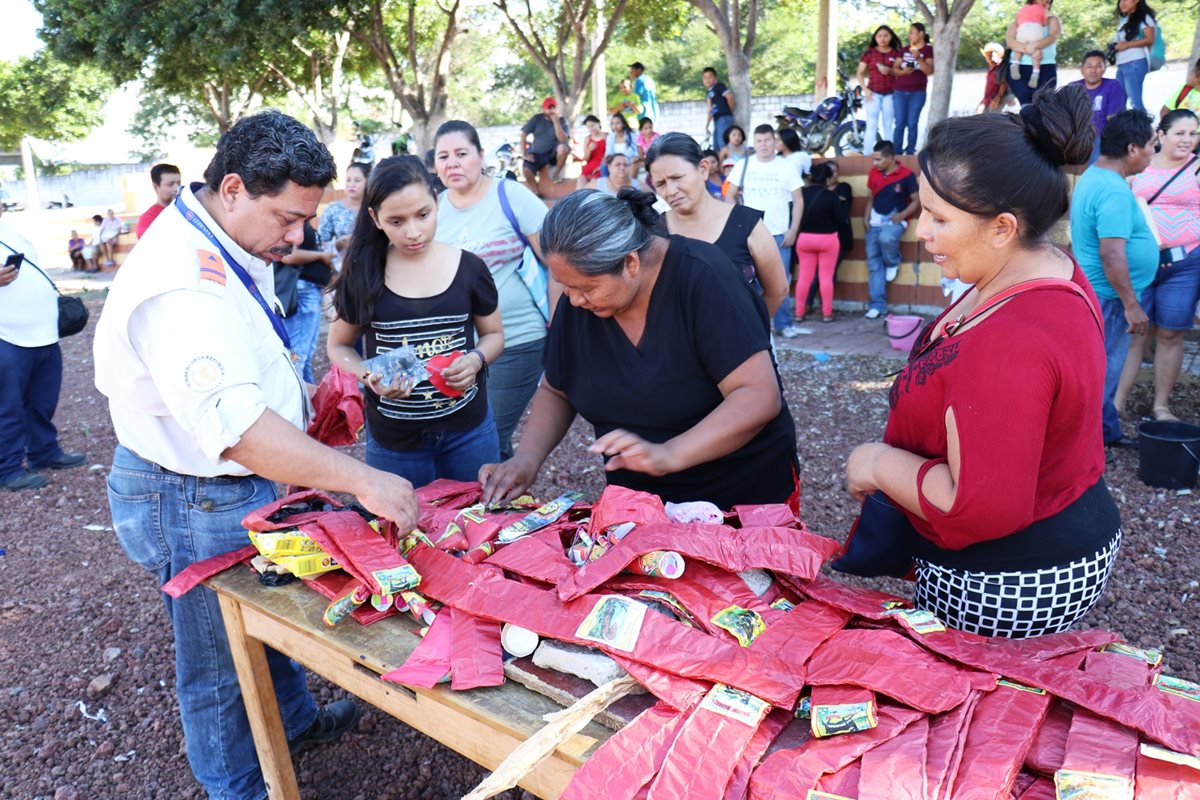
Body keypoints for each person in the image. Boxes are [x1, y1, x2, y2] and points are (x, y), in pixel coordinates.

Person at [93, 110, 420, 800]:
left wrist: (298, 405)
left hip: (224, 481)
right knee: (216, 659)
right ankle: (235, 785)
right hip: (193, 493)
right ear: (234, 188)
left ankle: (293, 723)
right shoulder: (181, 282)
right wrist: (362, 480)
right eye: (288, 218)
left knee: (261, 616)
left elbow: (242, 374)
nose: (298, 236)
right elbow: (238, 431)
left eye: (306, 219)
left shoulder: (224, 235)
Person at [845, 85, 1120, 639]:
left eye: (939, 218)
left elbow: (981, 509)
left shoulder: (1009, 344)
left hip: (1005, 573)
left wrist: (875, 463)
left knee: (968, 680)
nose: (922, 231)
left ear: (1002, 227)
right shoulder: (1042, 265)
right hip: (1068, 522)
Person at [477, 189, 799, 510]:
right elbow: (556, 389)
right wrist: (527, 459)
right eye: (567, 287)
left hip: (741, 495)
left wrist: (670, 454)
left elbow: (757, 395)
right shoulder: (581, 302)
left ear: (630, 263)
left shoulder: (704, 277)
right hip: (641, 502)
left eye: (586, 288)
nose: (574, 300)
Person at [326, 156, 504, 486]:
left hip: (470, 433)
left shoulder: (470, 268)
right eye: (396, 221)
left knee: (475, 514)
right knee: (402, 519)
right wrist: (369, 375)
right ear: (375, 218)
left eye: (423, 215)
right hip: (394, 443)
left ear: (437, 202)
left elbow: (493, 335)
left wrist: (475, 360)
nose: (413, 232)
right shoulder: (362, 274)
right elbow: (338, 346)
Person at [433, 120, 556, 461]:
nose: (452, 163)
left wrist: (561, 326)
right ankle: (504, 490)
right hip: (457, 351)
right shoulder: (433, 209)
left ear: (481, 155)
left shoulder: (511, 196)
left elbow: (558, 264)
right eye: (443, 156)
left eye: (461, 154)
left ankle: (495, 490)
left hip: (517, 341)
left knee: (487, 437)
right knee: (468, 440)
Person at [1069, 109, 1158, 448]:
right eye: (1151, 144)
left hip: (1101, 293)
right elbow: (1111, 253)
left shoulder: (1095, 176)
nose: (1153, 152)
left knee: (1101, 368)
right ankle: (1081, 451)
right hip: (1111, 297)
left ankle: (1107, 432)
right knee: (1102, 373)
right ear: (1132, 149)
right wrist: (1131, 305)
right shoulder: (1114, 191)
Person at [644, 132, 788, 323]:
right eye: (660, 184)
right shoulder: (655, 232)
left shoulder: (746, 224)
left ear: (703, 169)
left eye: (677, 177)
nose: (670, 191)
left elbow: (778, 291)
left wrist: (750, 331)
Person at [1118, 110, 1200, 422]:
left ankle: (1161, 406)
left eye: (1193, 133)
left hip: (1185, 264)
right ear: (1161, 135)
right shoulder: (1141, 165)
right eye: (1180, 133)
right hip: (1141, 263)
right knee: (1134, 332)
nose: (1187, 139)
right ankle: (1116, 405)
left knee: (1170, 334)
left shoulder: (1197, 166)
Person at [0, 208, 86, 491]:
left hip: (42, 334)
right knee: (7, 407)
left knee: (42, 401)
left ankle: (44, 452)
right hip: (7, 336)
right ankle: (7, 469)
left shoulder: (11, 231)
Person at [726, 125, 805, 338]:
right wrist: (737, 225)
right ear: (754, 143)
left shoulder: (786, 167)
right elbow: (729, 196)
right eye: (759, 141)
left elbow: (798, 201)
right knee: (748, 281)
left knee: (780, 282)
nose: (763, 145)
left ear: (774, 142)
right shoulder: (743, 165)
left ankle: (784, 325)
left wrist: (793, 230)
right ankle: (754, 325)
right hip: (750, 235)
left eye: (767, 140)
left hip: (779, 234)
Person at [863, 140, 919, 319]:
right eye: (873, 159)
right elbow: (870, 198)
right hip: (874, 223)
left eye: (878, 159)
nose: (875, 163)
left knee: (886, 239)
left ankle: (893, 261)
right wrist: (865, 217)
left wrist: (902, 215)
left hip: (895, 221)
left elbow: (916, 200)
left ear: (890, 158)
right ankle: (877, 306)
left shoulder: (907, 175)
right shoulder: (874, 172)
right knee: (874, 265)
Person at [276, 222, 333, 382]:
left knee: (305, 354)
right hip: (302, 291)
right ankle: (297, 395)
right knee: (298, 355)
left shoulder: (303, 222)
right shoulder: (291, 221)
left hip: (309, 290)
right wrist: (321, 256)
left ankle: (307, 395)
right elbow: (288, 256)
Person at [795, 163, 851, 324]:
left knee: (804, 277)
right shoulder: (831, 196)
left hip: (805, 239)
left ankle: (799, 313)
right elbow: (841, 219)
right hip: (828, 239)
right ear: (827, 178)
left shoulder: (802, 195)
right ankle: (827, 314)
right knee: (826, 277)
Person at [1071, 50, 1127, 164]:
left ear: (1104, 69)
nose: (1093, 70)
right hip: (1076, 134)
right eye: (1089, 66)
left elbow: (1113, 120)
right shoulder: (1073, 88)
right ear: (1082, 69)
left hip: (1100, 135)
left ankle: (1093, 170)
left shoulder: (1112, 86)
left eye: (1098, 66)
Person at [318, 161, 371, 273]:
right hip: (342, 268)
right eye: (348, 180)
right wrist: (338, 243)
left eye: (357, 180)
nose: (351, 184)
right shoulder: (333, 209)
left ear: (368, 182)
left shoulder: (375, 209)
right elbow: (320, 243)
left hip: (372, 265)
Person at [1005, 0, 1061, 107]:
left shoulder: (1052, 20)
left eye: (1048, 2)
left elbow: (1053, 37)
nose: (1045, 3)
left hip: (1046, 68)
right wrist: (1028, 49)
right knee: (1026, 104)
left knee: (1044, 103)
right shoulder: (1018, 21)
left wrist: (1035, 45)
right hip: (1019, 68)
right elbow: (1010, 40)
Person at [856, 25, 901, 154]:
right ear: (875, 38)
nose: (883, 39)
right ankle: (867, 154)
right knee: (871, 125)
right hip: (873, 94)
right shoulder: (869, 53)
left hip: (891, 94)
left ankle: (889, 154)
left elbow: (901, 73)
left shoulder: (896, 53)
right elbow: (859, 73)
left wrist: (890, 71)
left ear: (891, 37)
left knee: (888, 125)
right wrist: (865, 90)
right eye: (879, 36)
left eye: (886, 35)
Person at [891, 23, 934, 155]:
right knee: (899, 123)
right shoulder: (904, 50)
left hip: (918, 93)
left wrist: (919, 58)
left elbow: (929, 71)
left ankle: (910, 153)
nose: (909, 35)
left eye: (912, 32)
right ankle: (897, 153)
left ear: (921, 33)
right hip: (899, 92)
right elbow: (894, 69)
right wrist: (903, 72)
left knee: (912, 123)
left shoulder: (928, 49)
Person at [1111, 0, 1157, 112]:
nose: (1122, 3)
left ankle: (1143, 123)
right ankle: (1122, 123)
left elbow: (1150, 39)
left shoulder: (1144, 17)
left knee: (1135, 102)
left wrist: (1127, 45)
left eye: (1125, 0)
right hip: (1122, 64)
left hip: (1134, 63)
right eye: (1120, 1)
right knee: (1119, 101)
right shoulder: (1125, 19)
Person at [520, 97, 571, 187]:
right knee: (526, 170)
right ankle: (536, 192)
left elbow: (563, 139)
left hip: (553, 154)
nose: (551, 111)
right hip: (537, 153)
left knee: (563, 148)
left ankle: (555, 175)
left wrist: (556, 122)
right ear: (543, 109)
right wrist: (524, 154)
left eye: (553, 108)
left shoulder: (562, 121)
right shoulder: (536, 119)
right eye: (549, 108)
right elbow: (523, 134)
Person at [136, 162, 182, 238]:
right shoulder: (148, 219)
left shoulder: (186, 211)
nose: (177, 188)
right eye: (170, 184)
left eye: (179, 183)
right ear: (155, 187)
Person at [1011, 1, 1047, 88]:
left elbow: (1017, 20)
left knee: (1019, 48)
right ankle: (1035, 73)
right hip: (1035, 30)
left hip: (1022, 29)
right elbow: (1045, 23)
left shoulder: (1023, 8)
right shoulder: (1041, 8)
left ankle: (1015, 64)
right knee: (1036, 53)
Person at [703, 67, 736, 153]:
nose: (707, 80)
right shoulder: (708, 93)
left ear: (715, 78)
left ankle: (728, 160)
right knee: (716, 145)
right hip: (717, 120)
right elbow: (710, 110)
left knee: (723, 143)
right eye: (705, 78)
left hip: (724, 117)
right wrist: (707, 125)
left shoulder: (719, 86)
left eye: (710, 77)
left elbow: (730, 97)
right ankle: (720, 160)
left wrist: (729, 111)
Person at [577, 114, 607, 188]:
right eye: (588, 127)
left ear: (598, 123)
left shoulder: (606, 136)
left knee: (593, 183)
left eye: (593, 125)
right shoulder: (587, 139)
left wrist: (601, 167)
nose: (591, 129)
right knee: (580, 182)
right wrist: (589, 150)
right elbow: (585, 159)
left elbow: (610, 156)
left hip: (601, 168)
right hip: (589, 168)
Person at [979, 42, 1010, 112]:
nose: (990, 57)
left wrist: (998, 97)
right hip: (988, 100)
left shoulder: (1001, 67)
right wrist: (983, 100)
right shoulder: (990, 67)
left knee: (994, 117)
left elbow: (1004, 84)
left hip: (997, 99)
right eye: (988, 55)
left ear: (998, 55)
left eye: (992, 55)